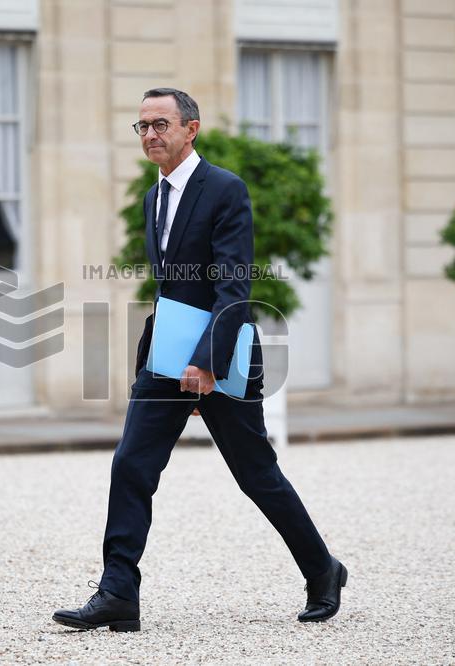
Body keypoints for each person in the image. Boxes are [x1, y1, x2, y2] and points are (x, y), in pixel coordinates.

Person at [52, 88, 346, 632]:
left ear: (192, 129)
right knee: (131, 464)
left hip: (222, 355)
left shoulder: (226, 189)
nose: (149, 134)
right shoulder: (151, 197)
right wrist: (160, 358)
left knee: (255, 473)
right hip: (165, 357)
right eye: (141, 126)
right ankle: (118, 591)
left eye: (160, 123)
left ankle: (323, 569)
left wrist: (206, 363)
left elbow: (233, 285)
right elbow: (171, 287)